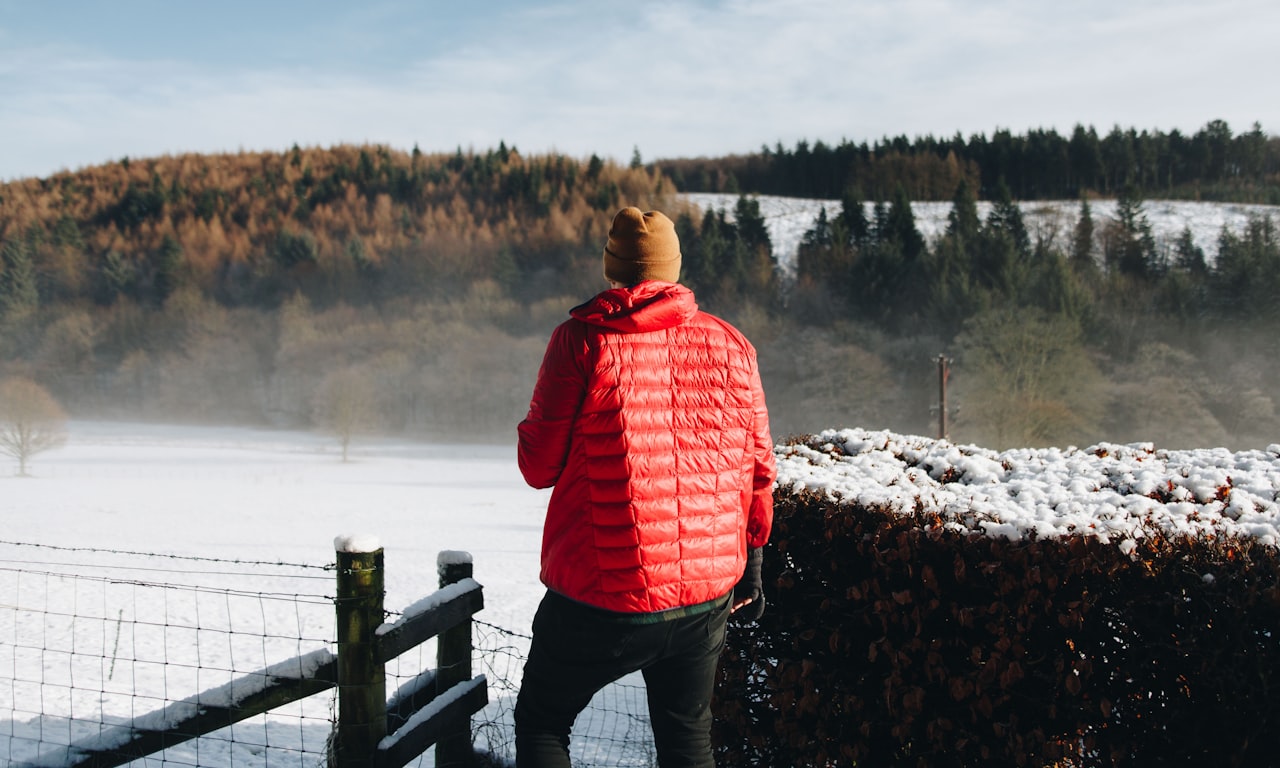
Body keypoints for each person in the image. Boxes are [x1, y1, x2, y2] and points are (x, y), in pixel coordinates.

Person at [514, 206, 776, 768]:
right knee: (687, 742)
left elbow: (538, 467)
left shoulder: (580, 341)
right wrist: (752, 556)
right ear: (673, 269)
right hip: (704, 595)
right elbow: (758, 465)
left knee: (542, 721)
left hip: (604, 589)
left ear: (614, 270)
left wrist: (534, 424)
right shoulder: (732, 343)